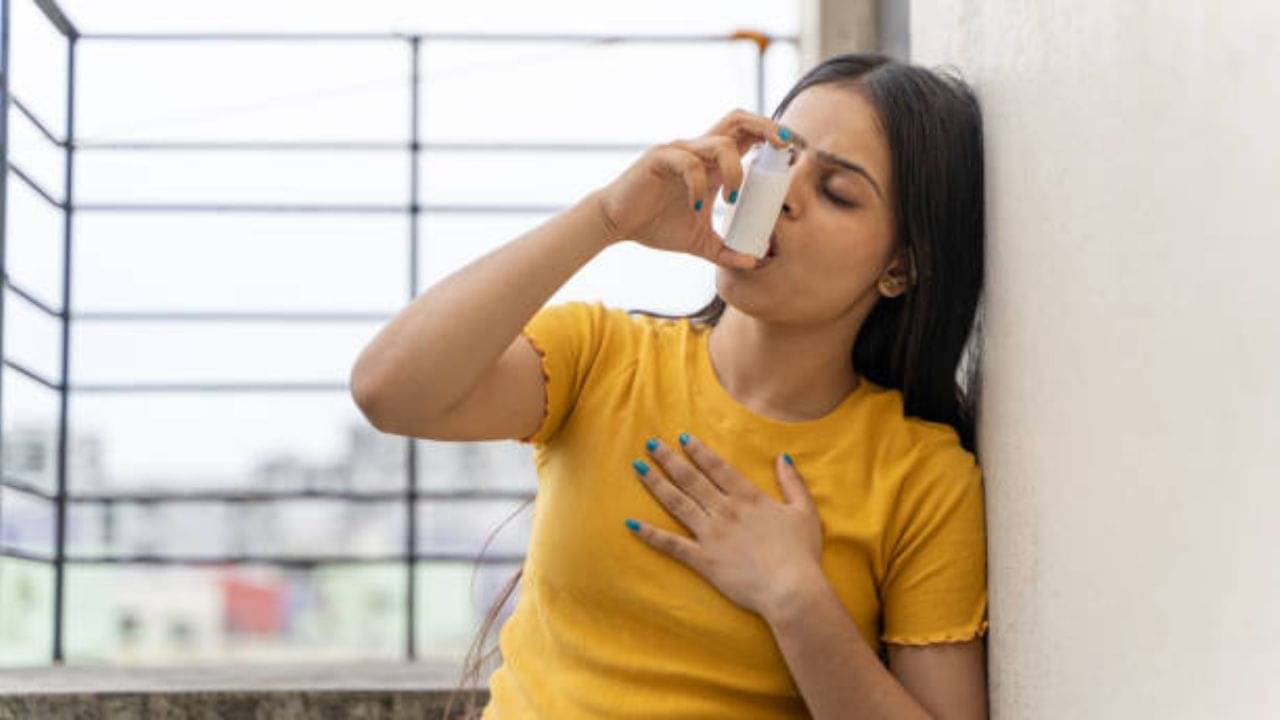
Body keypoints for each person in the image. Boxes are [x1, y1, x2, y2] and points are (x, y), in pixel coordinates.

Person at [352, 51, 988, 720]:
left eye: (836, 192)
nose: (786, 195)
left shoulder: (922, 476)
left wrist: (796, 596)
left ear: (900, 267)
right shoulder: (601, 356)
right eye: (781, 156)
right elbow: (388, 389)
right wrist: (606, 220)